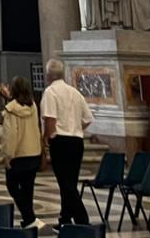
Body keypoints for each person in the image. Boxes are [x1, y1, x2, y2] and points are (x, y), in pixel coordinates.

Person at [41, 59, 93, 226]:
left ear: (48, 75)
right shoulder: (75, 92)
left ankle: (82, 221)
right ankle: (65, 218)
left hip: (61, 141)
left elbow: (50, 118)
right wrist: (76, 129)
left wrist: (48, 137)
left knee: (66, 183)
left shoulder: (50, 92)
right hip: (77, 141)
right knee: (70, 181)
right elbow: (88, 119)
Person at [1, 76, 46, 230]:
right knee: (28, 189)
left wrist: (8, 155)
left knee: (12, 186)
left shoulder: (10, 109)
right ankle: (29, 220)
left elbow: (11, 135)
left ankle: (30, 217)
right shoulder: (33, 106)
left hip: (18, 155)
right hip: (33, 152)